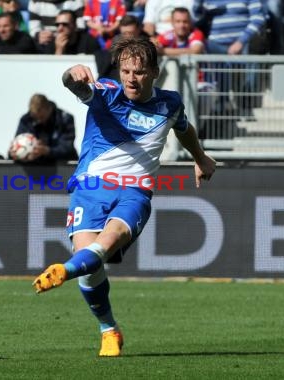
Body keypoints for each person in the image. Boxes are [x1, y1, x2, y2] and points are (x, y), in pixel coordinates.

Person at [32, 37, 216, 357]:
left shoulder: (169, 104)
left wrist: (200, 158)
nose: (131, 78)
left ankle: (64, 271)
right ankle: (108, 329)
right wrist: (70, 74)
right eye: (126, 70)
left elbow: (183, 128)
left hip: (134, 190)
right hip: (89, 189)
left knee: (107, 241)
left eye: (140, 72)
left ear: (155, 73)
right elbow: (73, 85)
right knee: (91, 266)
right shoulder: (105, 92)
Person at [9, 93, 79, 163]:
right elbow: (17, 143)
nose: (38, 121)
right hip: (32, 167)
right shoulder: (26, 120)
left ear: (49, 109)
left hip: (64, 166)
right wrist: (14, 152)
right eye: (35, 118)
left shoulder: (65, 119)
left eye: (41, 117)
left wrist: (47, 151)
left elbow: (67, 148)